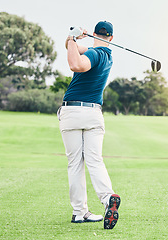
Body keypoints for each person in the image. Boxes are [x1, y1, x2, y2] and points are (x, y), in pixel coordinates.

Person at [57, 21, 121, 230]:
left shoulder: (94, 55)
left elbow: (76, 65)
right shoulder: (107, 56)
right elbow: (71, 48)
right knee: (94, 160)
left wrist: (75, 38)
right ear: (111, 37)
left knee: (75, 163)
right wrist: (72, 38)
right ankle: (107, 198)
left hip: (73, 111)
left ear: (95, 33)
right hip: (93, 114)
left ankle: (79, 212)